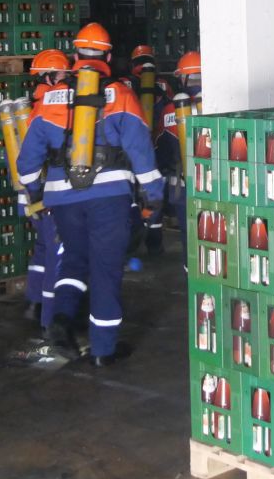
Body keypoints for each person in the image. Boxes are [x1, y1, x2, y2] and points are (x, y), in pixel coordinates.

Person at [15, 22, 165, 366]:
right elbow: (141, 150)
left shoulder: (51, 98)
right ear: (108, 57)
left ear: (74, 55)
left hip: (62, 199)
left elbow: (28, 159)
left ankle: (61, 319)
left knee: (74, 260)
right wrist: (154, 194)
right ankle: (103, 350)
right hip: (108, 197)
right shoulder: (121, 94)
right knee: (105, 269)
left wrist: (35, 192)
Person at [17, 49, 71, 328]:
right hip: (45, 195)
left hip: (28, 194)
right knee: (57, 256)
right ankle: (50, 321)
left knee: (42, 249)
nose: (65, 77)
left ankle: (33, 302)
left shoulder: (33, 106)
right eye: (62, 73)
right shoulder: (52, 108)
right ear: (50, 76)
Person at [122, 45, 170, 256]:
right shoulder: (163, 85)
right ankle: (154, 245)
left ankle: (130, 245)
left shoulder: (123, 84)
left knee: (129, 198)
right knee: (153, 194)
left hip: (129, 149)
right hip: (154, 146)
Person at [155, 50, 201, 250]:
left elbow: (161, 150)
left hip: (183, 187)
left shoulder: (170, 111)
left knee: (189, 237)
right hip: (218, 186)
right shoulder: (220, 104)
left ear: (183, 78)